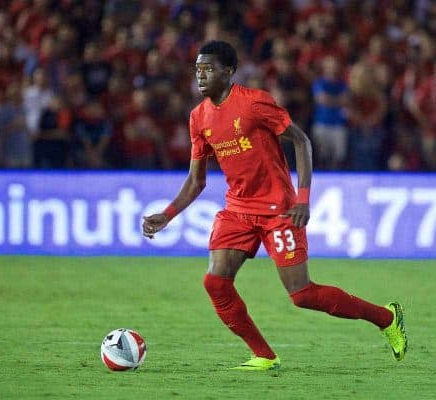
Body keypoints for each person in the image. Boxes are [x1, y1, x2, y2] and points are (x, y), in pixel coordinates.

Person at [142, 41, 407, 371]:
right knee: (215, 282)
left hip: (277, 210)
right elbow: (197, 181)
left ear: (228, 72)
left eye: (208, 69)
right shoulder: (198, 118)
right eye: (197, 69)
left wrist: (303, 199)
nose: (200, 75)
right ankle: (264, 354)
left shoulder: (254, 103)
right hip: (237, 210)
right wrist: (166, 215)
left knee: (302, 294)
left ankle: (386, 317)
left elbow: (301, 140)